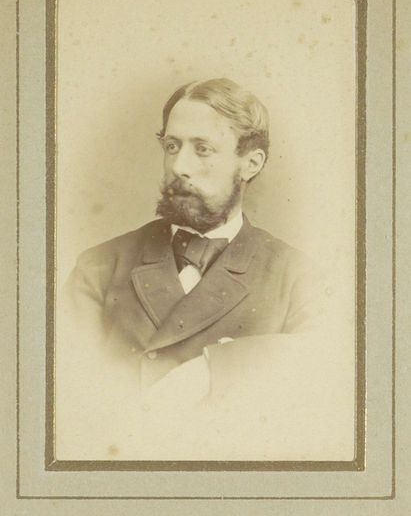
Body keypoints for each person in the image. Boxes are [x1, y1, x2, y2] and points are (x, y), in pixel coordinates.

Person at [59, 78, 353, 460]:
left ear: (251, 163)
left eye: (203, 149)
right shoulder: (98, 269)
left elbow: (331, 389)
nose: (179, 167)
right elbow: (66, 403)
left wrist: (214, 369)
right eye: (172, 146)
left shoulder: (300, 279)